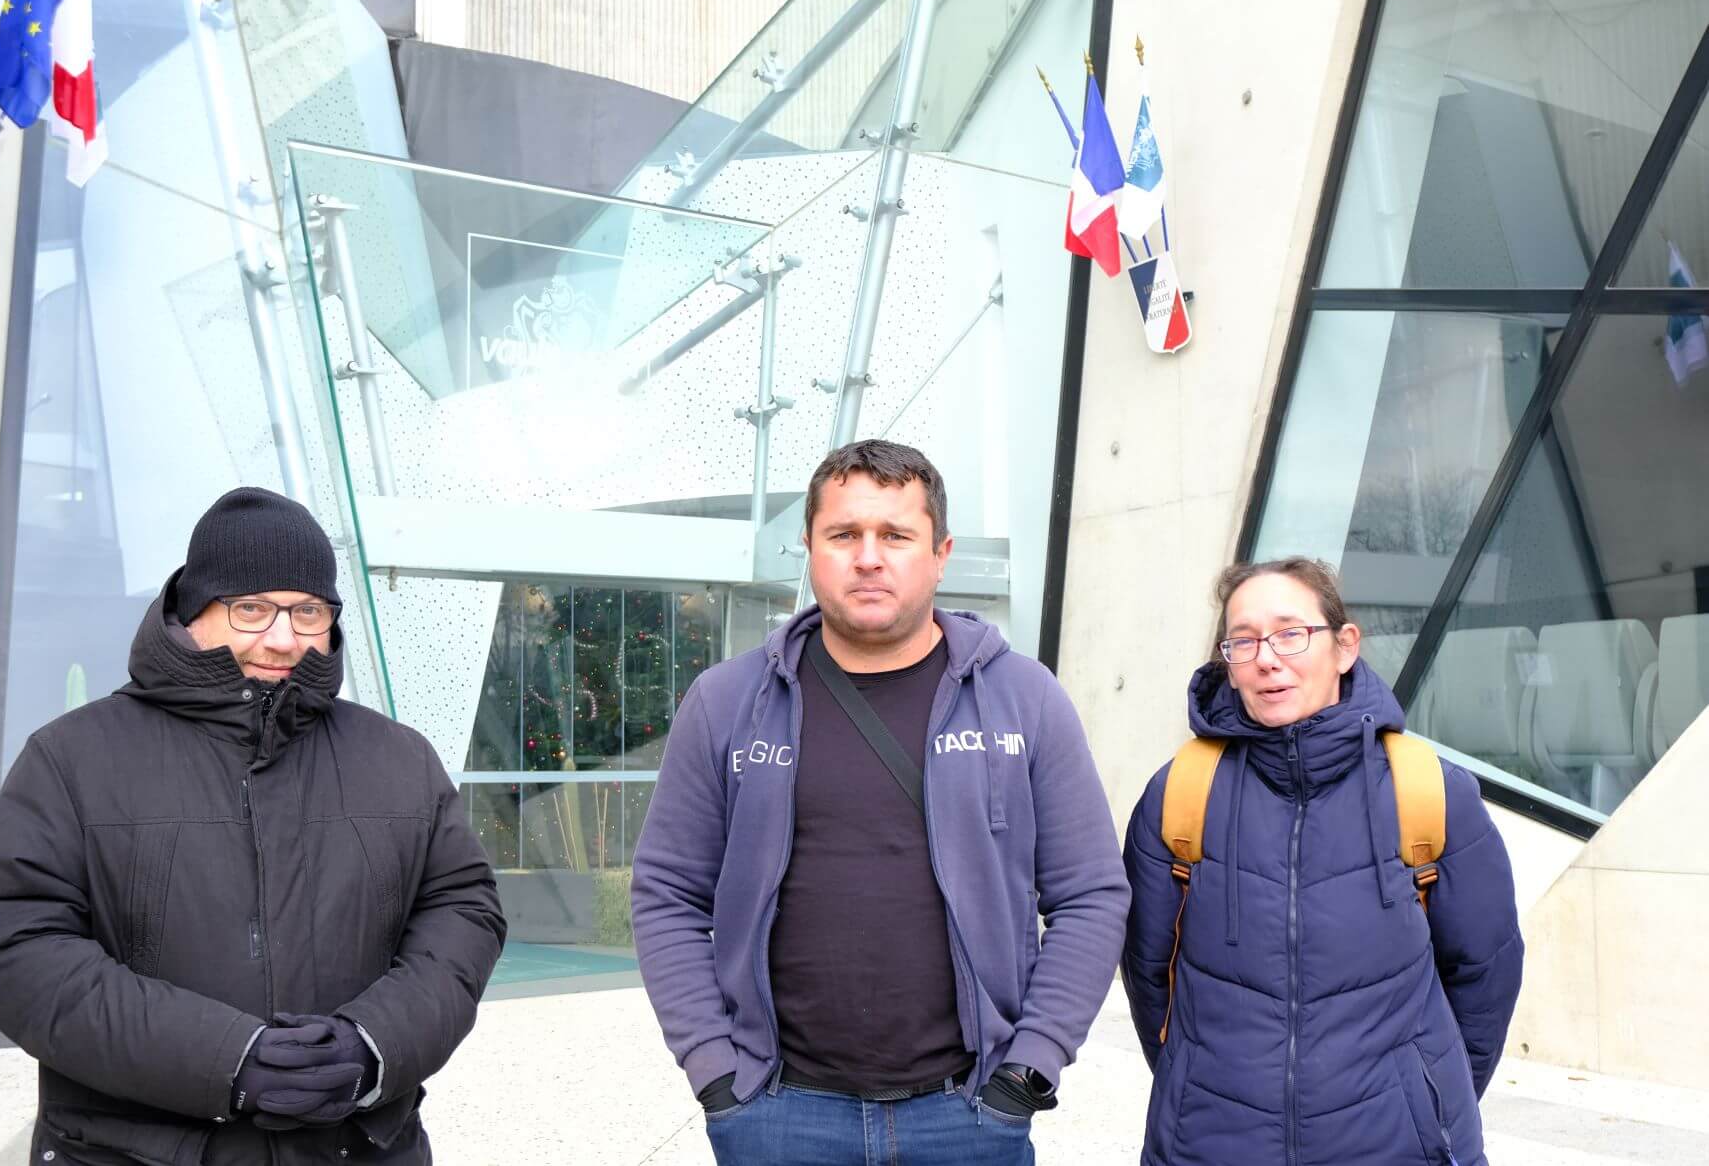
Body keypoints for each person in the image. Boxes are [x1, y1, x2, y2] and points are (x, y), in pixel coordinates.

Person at [0, 487, 506, 1165]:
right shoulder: (71, 757)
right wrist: (227, 1060)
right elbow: (12, 944)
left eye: (307, 611)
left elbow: (462, 912)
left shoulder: (399, 757)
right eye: (252, 608)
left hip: (358, 1147)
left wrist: (373, 1045)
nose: (284, 638)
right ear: (193, 614)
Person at [632, 440, 1129, 1166]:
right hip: (776, 1113)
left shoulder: (1025, 698)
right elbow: (668, 893)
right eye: (844, 535)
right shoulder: (726, 701)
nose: (869, 557)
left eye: (895, 535)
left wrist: (1030, 1067)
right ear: (809, 547)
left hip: (967, 1113)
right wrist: (714, 1069)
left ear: (939, 552)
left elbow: (1089, 893)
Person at [1121, 557, 1523, 1165]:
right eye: (1245, 640)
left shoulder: (1429, 791)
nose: (1267, 657)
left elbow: (1486, 971)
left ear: (1344, 647)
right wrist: (1195, 1086)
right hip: (1210, 1145)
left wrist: (1430, 1102)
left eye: (1290, 633)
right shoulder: (1180, 793)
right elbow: (1150, 976)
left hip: (1398, 1148)